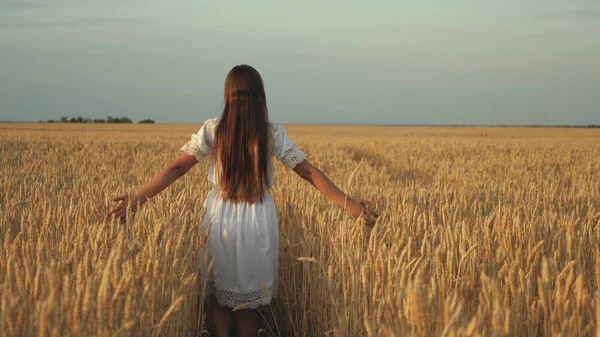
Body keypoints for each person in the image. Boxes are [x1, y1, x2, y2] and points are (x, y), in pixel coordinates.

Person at [107, 64, 378, 337]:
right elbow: (308, 171)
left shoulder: (214, 129)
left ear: (228, 96)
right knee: (248, 299)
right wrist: (349, 204)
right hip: (258, 218)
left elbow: (177, 168)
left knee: (218, 290)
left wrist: (137, 198)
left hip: (220, 216)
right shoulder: (271, 133)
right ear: (260, 96)